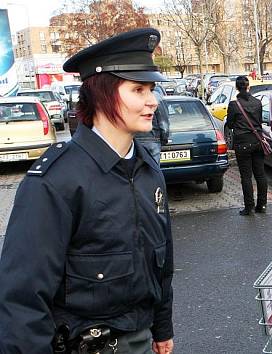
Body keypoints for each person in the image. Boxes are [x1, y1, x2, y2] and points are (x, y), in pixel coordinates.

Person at [0, 28, 175, 353]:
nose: (153, 100)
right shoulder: (56, 180)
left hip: (139, 337)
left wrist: (162, 327)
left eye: (151, 89)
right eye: (138, 89)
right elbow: (22, 298)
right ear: (102, 94)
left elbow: (161, 262)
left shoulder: (149, 170)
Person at [225, 75, 268, 215]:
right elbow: (259, 121)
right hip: (257, 141)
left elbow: (230, 124)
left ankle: (249, 207)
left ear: (237, 87)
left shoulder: (234, 104)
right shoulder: (257, 102)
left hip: (242, 143)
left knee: (246, 176)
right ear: (248, 86)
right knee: (260, 175)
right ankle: (262, 205)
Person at [136, 88, 170, 163]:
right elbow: (163, 123)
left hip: (134, 139)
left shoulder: (132, 95)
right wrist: (164, 139)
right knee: (153, 171)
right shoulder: (156, 97)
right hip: (152, 140)